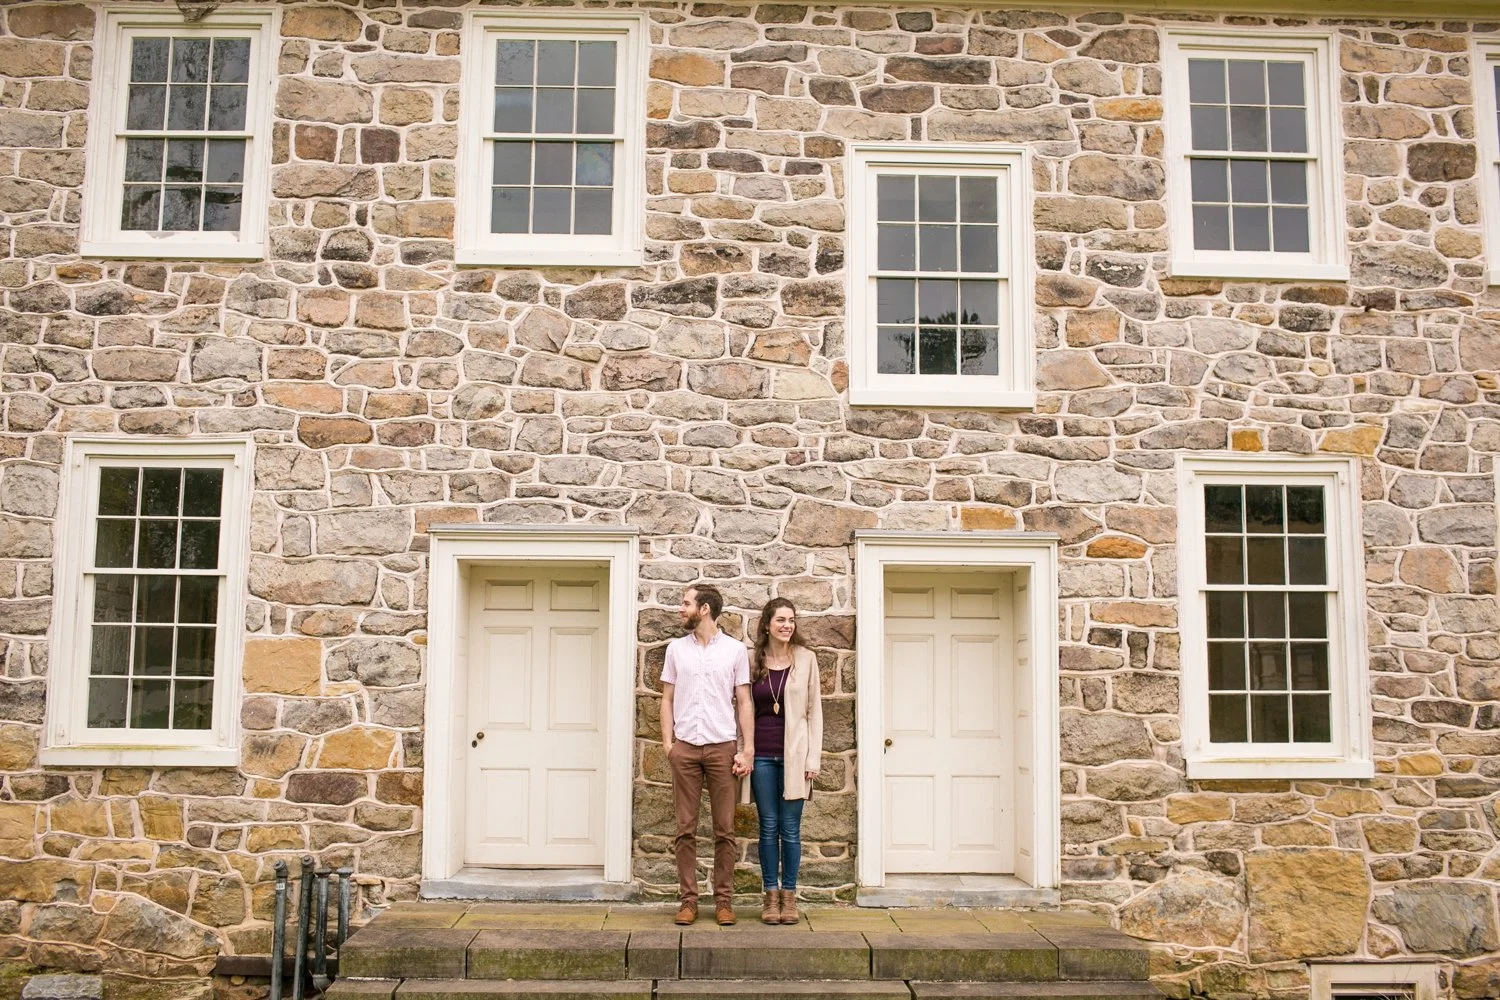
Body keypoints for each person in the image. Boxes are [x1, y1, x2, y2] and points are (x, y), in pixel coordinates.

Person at [660, 583, 754, 926]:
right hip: (685, 747)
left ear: (704, 609)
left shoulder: (734, 651)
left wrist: (747, 748)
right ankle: (688, 901)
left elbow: (744, 701)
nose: (680, 609)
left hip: (722, 747)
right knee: (685, 828)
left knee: (724, 829)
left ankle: (724, 902)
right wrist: (669, 745)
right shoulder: (676, 650)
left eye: (686, 603)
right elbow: (667, 698)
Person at [747, 597, 823, 925]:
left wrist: (814, 758)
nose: (787, 625)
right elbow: (743, 707)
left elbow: (814, 711)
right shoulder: (753, 659)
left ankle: (789, 896)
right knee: (768, 828)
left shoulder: (807, 659)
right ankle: (770, 895)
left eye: (791, 620)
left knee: (790, 829)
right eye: (780, 620)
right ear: (767, 624)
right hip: (762, 756)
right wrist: (743, 749)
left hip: (795, 757)